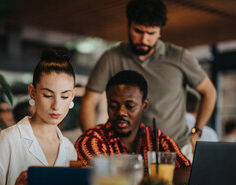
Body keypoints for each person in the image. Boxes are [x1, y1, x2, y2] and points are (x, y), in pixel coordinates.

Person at [79, 0, 216, 159]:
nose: (144, 40)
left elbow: (209, 93)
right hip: (127, 154)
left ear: (160, 32)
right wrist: (94, 144)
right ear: (128, 26)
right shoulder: (111, 58)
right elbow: (89, 102)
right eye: (138, 31)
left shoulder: (179, 57)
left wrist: (197, 132)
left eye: (151, 33)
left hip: (176, 149)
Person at [76, 70, 197, 185]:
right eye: (113, 106)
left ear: (144, 105)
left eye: (130, 106)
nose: (121, 112)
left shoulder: (156, 138)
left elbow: (188, 173)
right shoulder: (91, 140)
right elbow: (100, 182)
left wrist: (139, 179)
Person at [0, 48, 77, 185]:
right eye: (48, 95)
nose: (56, 105)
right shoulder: (9, 140)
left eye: (65, 96)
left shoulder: (69, 150)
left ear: (72, 96)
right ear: (32, 92)